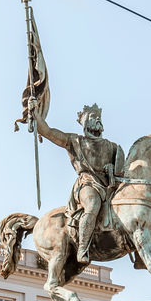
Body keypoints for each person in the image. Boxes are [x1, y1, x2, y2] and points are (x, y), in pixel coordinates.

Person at [25, 102, 125, 265]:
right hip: (88, 184)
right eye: (93, 117)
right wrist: (34, 112)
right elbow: (48, 132)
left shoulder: (112, 147)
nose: (97, 119)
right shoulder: (75, 141)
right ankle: (83, 247)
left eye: (99, 117)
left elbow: (123, 171)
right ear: (85, 122)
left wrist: (113, 169)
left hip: (110, 186)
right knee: (92, 205)